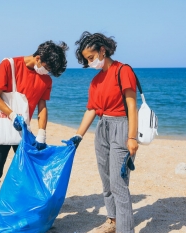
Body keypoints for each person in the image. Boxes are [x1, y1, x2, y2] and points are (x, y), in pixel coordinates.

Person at [0, 40, 68, 232]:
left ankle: (26, 215)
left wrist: (42, 133)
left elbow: (42, 107)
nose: (47, 72)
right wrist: (12, 115)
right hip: (2, 126)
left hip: (24, 130)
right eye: (47, 67)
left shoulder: (46, 79)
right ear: (38, 58)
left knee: (28, 174)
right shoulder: (9, 65)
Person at [66, 32, 139, 233]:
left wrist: (132, 137)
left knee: (119, 183)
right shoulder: (96, 81)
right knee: (106, 179)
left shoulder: (123, 71)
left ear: (102, 50)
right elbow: (91, 109)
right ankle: (113, 221)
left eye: (91, 57)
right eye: (87, 60)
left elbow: (132, 106)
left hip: (122, 126)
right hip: (102, 127)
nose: (90, 62)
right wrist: (78, 136)